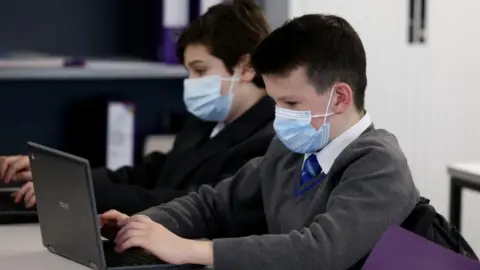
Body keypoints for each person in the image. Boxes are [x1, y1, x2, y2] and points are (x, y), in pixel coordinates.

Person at [95, 14, 427, 269]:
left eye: (291, 103)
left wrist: (190, 249)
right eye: (276, 100)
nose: (278, 114)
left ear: (339, 97)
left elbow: (320, 252)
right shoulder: (292, 150)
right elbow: (214, 204)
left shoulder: (379, 163)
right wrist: (143, 224)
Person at [0, 0, 274, 215]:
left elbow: (195, 201)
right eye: (189, 72)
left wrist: (80, 192)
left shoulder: (270, 139)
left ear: (246, 67)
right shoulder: (208, 121)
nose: (191, 83)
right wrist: (60, 174)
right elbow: (150, 174)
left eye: (200, 71)